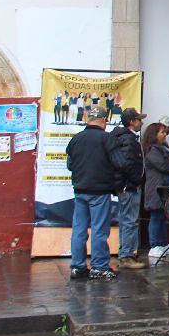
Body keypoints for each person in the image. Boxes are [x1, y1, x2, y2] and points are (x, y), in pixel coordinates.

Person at [66, 106, 121, 280]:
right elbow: (118, 162)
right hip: (100, 190)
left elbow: (69, 164)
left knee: (79, 229)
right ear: (104, 120)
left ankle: (78, 266)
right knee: (99, 229)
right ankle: (99, 267)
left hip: (80, 190)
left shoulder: (76, 139)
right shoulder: (107, 139)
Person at [110, 107, 147, 270]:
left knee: (127, 219)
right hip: (129, 186)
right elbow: (126, 163)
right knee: (129, 221)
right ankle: (127, 255)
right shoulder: (128, 140)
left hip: (127, 185)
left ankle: (127, 252)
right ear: (132, 122)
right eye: (139, 119)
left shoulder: (124, 138)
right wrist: (135, 179)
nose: (141, 122)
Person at [141, 122, 169, 260]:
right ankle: (155, 244)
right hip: (156, 188)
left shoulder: (163, 148)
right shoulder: (153, 151)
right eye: (162, 133)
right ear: (154, 135)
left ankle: (163, 243)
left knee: (163, 216)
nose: (165, 135)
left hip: (165, 187)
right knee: (156, 216)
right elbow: (164, 166)